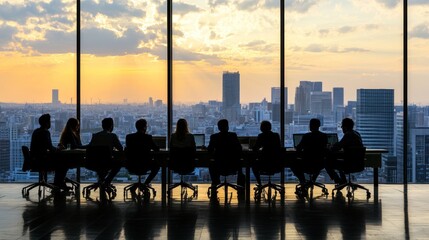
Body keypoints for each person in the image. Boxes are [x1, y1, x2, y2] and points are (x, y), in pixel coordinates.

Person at [207, 119, 244, 200]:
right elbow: (239, 149)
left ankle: (215, 183)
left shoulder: (214, 137)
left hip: (219, 166)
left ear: (218, 128)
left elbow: (210, 150)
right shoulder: (233, 136)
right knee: (241, 165)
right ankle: (241, 190)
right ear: (228, 127)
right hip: (232, 166)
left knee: (211, 164)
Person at [30, 113, 68, 190]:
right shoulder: (45, 132)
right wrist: (59, 149)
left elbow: (44, 147)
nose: (50, 123)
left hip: (36, 159)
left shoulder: (36, 131)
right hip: (43, 160)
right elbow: (50, 148)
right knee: (63, 164)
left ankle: (58, 183)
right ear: (46, 123)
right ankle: (58, 183)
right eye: (49, 121)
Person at [326, 118, 363, 184]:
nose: (342, 128)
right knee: (339, 161)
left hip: (349, 163)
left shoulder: (348, 135)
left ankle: (338, 181)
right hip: (358, 163)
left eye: (342, 126)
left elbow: (338, 146)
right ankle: (343, 181)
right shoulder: (357, 134)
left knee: (327, 163)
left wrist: (330, 147)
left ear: (345, 127)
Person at [88, 117, 123, 187]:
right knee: (119, 164)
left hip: (94, 163)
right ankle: (107, 182)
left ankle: (101, 181)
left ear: (102, 126)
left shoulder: (95, 136)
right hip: (108, 163)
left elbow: (90, 147)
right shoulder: (112, 136)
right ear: (111, 126)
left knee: (101, 167)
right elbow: (120, 148)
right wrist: (112, 150)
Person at [291, 118, 328, 184]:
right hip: (319, 163)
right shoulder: (324, 136)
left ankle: (303, 181)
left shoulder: (306, 136)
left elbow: (299, 148)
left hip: (306, 163)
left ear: (310, 126)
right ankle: (313, 180)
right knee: (318, 164)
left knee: (293, 163)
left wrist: (297, 148)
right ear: (319, 126)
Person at [125, 119, 160, 187]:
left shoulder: (129, 137)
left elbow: (128, 148)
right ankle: (146, 183)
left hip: (132, 164)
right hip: (145, 165)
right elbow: (156, 149)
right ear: (144, 127)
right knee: (157, 165)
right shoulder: (147, 137)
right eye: (146, 126)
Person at [251, 120, 282, 186]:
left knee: (254, 165)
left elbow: (255, 148)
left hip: (264, 164)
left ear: (261, 128)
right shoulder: (276, 135)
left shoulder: (261, 136)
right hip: (275, 164)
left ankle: (259, 183)